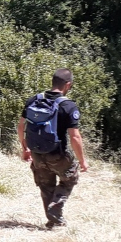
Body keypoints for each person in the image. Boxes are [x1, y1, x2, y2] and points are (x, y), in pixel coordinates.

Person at [17, 68, 88, 228]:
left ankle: (53, 221)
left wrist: (25, 148)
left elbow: (21, 126)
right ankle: (55, 209)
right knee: (70, 178)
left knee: (45, 185)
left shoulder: (34, 100)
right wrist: (82, 161)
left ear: (53, 81)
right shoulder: (68, 106)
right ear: (67, 85)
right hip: (58, 154)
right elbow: (75, 136)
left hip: (36, 152)